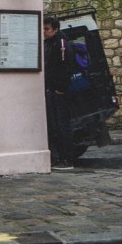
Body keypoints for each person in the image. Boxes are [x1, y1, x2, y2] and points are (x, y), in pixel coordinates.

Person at [44, 17, 76, 170]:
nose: (44, 32)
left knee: (63, 125)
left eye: (47, 29)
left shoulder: (62, 43)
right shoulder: (48, 43)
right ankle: (57, 157)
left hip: (59, 92)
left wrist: (60, 88)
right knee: (53, 126)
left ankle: (67, 159)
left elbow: (66, 66)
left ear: (55, 29)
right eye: (43, 29)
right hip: (51, 90)